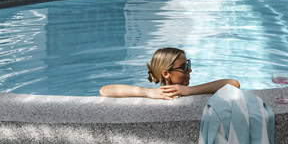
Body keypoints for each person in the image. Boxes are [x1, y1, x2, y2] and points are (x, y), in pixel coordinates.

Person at [99, 47, 240, 100]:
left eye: (188, 65)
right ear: (166, 73)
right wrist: (147, 92)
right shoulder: (157, 93)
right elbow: (105, 91)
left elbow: (233, 84)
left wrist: (190, 91)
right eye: (184, 67)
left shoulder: (189, 90)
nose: (190, 70)